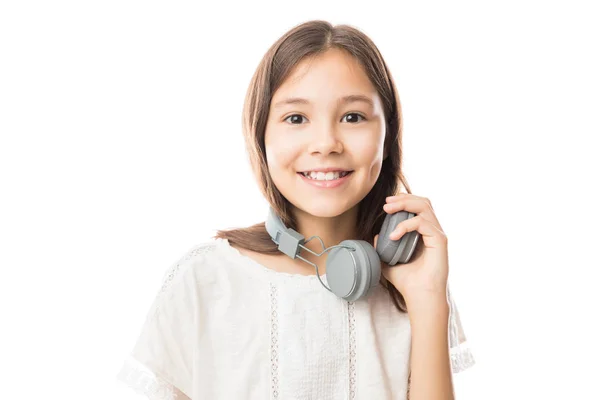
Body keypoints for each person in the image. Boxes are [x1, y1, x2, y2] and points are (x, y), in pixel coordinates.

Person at [116, 20, 475, 400]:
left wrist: (428, 299)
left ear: (387, 137)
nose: (325, 143)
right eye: (296, 118)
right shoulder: (206, 281)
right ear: (261, 136)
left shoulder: (413, 284)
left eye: (353, 116)